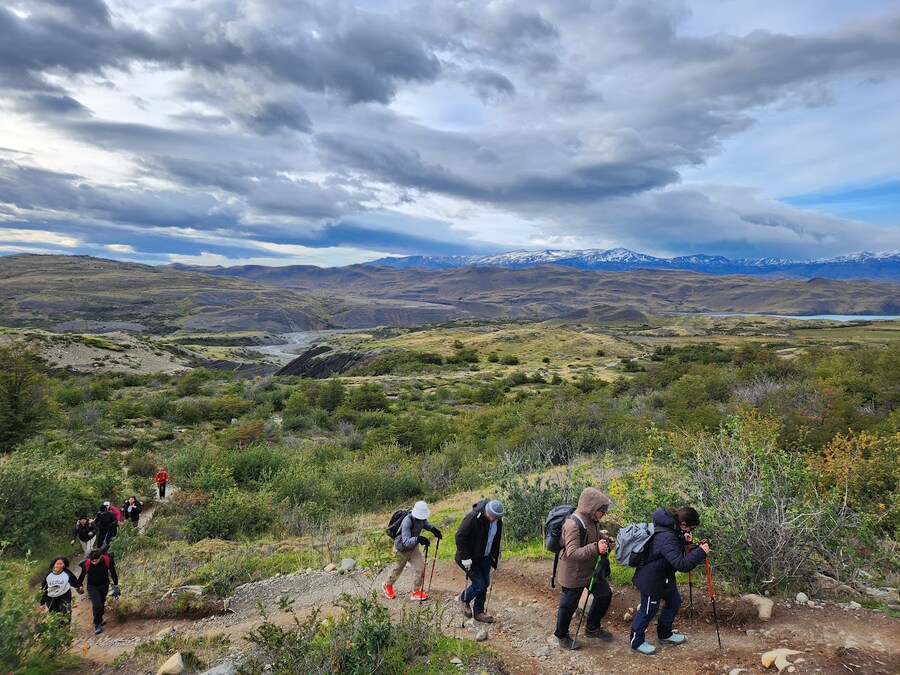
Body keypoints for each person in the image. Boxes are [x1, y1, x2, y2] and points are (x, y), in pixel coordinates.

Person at [629, 506, 710, 655]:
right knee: (648, 611)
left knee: (674, 602)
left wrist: (684, 541)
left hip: (664, 577)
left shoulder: (671, 528)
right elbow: (682, 564)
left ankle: (665, 634)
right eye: (690, 528)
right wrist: (701, 552)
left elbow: (669, 551)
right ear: (684, 524)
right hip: (651, 580)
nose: (690, 532)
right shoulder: (667, 537)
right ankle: (636, 641)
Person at [553, 487, 615, 650]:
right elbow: (572, 552)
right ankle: (561, 635)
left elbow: (594, 534)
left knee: (604, 595)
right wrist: (596, 548)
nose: (604, 514)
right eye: (602, 511)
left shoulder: (592, 519)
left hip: (591, 570)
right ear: (593, 508)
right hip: (573, 573)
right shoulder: (572, 524)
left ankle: (592, 628)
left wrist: (606, 540)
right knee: (568, 606)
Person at [455, 499, 504, 623]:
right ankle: (463, 599)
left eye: (496, 518)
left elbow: (495, 540)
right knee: (479, 585)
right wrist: (465, 557)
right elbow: (460, 536)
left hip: (485, 556)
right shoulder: (473, 518)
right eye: (492, 517)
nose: (493, 519)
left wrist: (495, 557)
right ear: (487, 512)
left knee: (485, 583)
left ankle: (478, 612)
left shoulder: (497, 522)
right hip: (470, 558)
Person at [382, 500, 442, 601]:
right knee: (397, 569)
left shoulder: (421, 518)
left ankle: (416, 591)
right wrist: (418, 539)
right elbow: (405, 541)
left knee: (420, 568)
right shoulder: (407, 521)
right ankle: (387, 585)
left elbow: (425, 524)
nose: (423, 518)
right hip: (401, 549)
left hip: (413, 548)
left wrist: (433, 529)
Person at [77, 548, 120, 635]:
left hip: (104, 585)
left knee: (101, 602)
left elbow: (113, 573)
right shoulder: (87, 564)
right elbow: (81, 577)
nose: (94, 562)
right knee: (97, 605)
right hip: (92, 586)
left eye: (96, 561)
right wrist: (79, 586)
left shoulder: (107, 560)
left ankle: (99, 618)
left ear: (100, 557)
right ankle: (97, 624)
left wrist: (116, 585)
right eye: (92, 561)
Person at [39, 556, 82, 621]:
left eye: (61, 564)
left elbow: (74, 581)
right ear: (54, 565)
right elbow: (43, 589)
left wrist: (79, 587)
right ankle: (60, 628)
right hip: (51, 597)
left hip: (64, 595)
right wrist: (42, 603)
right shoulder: (49, 575)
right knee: (55, 615)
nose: (59, 566)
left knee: (66, 612)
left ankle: (66, 628)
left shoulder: (67, 573)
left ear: (64, 565)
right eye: (57, 564)